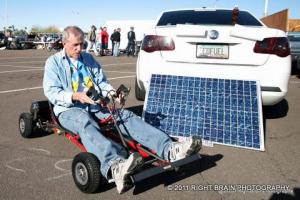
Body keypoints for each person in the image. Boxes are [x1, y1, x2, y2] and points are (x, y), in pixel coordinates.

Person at [43, 26, 201, 194]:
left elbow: (101, 83)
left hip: (93, 104)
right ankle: (114, 166)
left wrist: (113, 94)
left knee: (124, 115)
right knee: (84, 121)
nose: (80, 49)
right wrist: (75, 96)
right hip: (68, 109)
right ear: (64, 43)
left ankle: (169, 149)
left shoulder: (88, 59)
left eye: (82, 44)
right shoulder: (53, 63)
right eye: (75, 45)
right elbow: (51, 91)